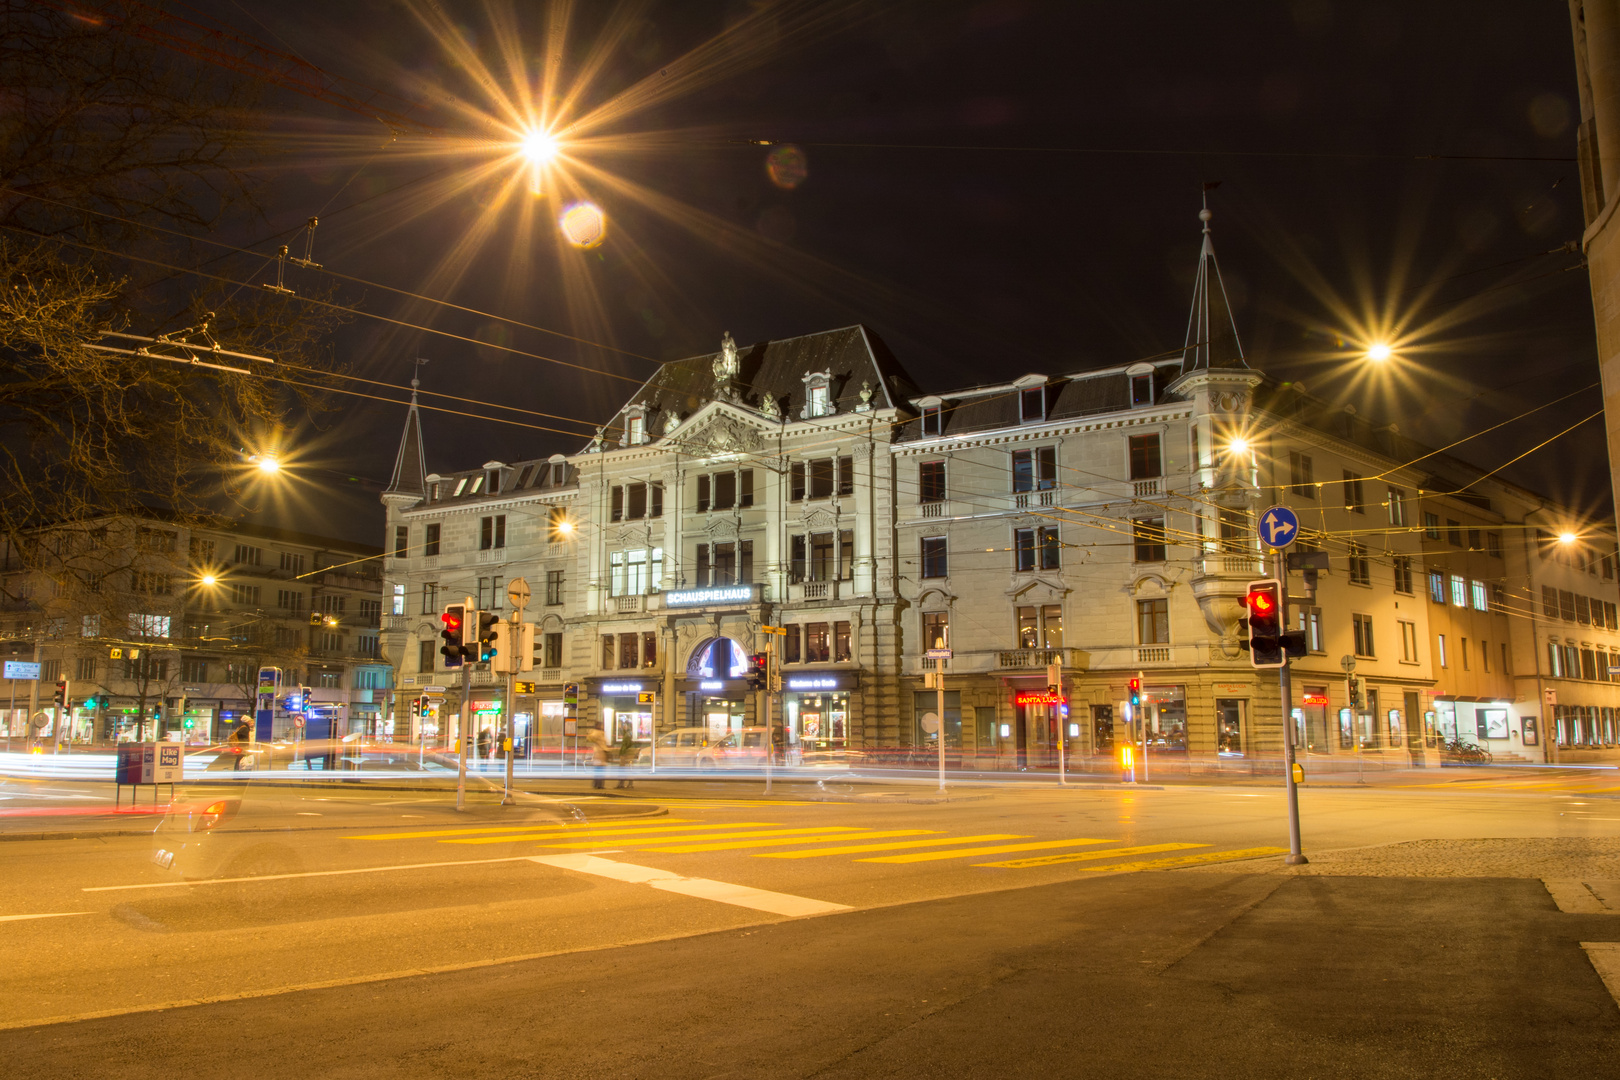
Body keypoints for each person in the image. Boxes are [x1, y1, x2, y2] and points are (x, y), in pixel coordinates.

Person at [586, 724, 609, 789]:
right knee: (600, 770)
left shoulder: (599, 733)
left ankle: (596, 784)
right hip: (600, 754)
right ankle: (598, 784)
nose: (602, 727)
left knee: (598, 770)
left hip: (599, 755)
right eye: (601, 726)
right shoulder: (598, 733)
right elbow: (590, 737)